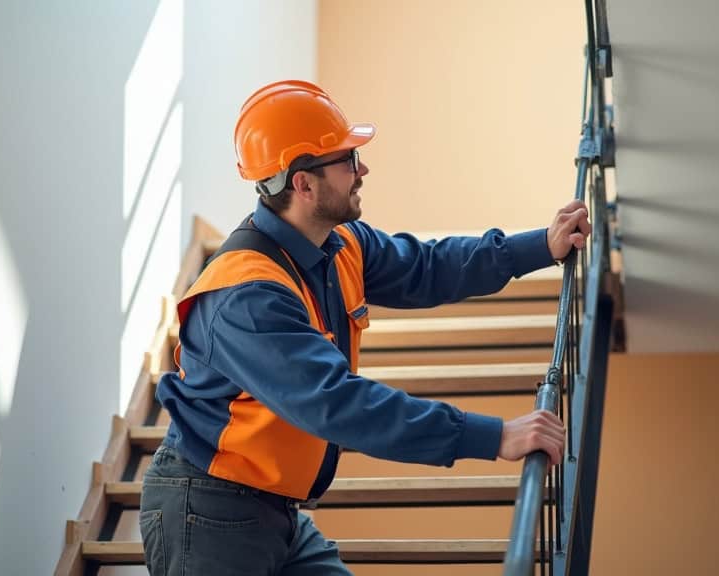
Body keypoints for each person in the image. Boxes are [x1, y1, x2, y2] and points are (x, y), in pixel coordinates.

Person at [140, 80, 591, 575]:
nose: (362, 168)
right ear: (303, 184)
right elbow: (339, 404)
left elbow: (427, 267)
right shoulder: (245, 295)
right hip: (207, 510)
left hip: (277, 510)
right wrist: (492, 436)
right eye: (347, 159)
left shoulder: (339, 244)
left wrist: (539, 248)